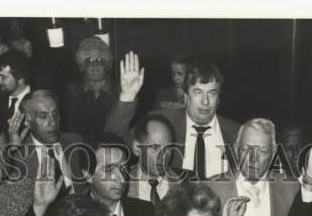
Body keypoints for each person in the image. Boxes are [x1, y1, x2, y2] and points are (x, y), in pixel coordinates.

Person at [108, 59, 240, 181]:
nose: (205, 102)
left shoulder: (236, 132)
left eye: (212, 93)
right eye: (198, 92)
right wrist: (127, 96)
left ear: (219, 99)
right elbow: (110, 144)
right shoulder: (162, 123)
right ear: (185, 95)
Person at [62, 36, 120, 143]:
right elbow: (72, 129)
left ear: (106, 63)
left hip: (113, 148)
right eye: (89, 62)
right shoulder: (73, 90)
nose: (95, 67)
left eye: (99, 61)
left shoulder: (119, 90)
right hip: (82, 150)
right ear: (83, 65)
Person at [128, 113, 182, 205]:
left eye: (168, 148)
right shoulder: (122, 185)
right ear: (137, 148)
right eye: (155, 147)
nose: (163, 156)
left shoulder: (185, 187)